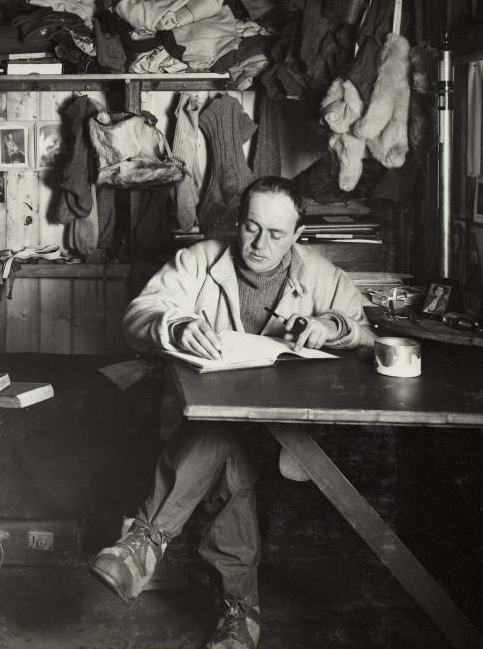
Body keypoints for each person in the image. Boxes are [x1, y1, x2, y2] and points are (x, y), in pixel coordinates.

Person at [89, 176, 373, 649]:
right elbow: (139, 315)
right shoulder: (199, 260)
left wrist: (332, 324)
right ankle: (238, 614)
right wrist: (174, 325)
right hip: (213, 423)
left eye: (277, 234)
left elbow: (365, 332)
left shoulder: (322, 274)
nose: (260, 245)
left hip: (286, 431)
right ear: (238, 221)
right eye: (251, 227)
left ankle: (145, 541)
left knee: (223, 439)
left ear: (299, 234)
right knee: (227, 447)